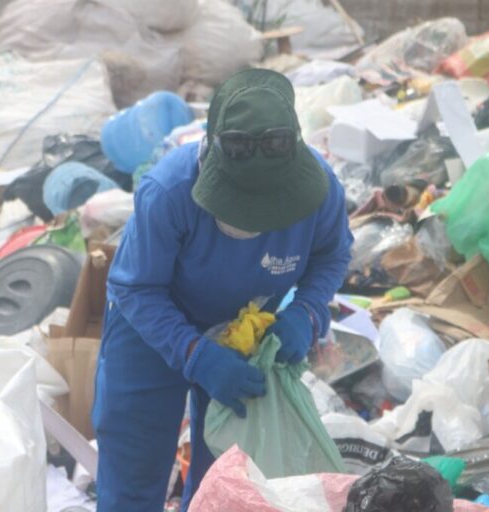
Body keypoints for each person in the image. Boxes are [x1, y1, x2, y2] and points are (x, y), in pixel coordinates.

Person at [92, 69, 353, 511]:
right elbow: (137, 289)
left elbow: (332, 256)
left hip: (240, 336)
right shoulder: (169, 191)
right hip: (149, 332)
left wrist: (307, 313)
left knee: (229, 480)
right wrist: (194, 353)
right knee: (134, 474)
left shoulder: (320, 192)